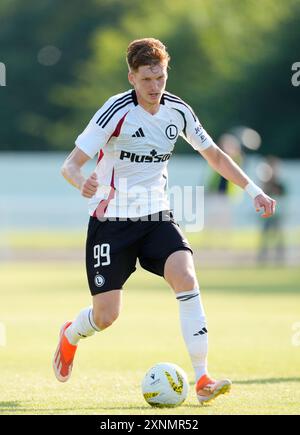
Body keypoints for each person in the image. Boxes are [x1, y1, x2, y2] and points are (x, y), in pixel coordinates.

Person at [53, 38, 276, 404]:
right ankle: (71, 334)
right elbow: (71, 165)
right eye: (147, 79)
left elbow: (216, 156)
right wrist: (83, 182)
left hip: (157, 217)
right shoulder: (115, 111)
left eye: (160, 77)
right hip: (112, 223)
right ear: (132, 78)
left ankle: (202, 377)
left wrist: (254, 190)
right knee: (106, 316)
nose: (155, 87)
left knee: (186, 277)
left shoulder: (178, 111)